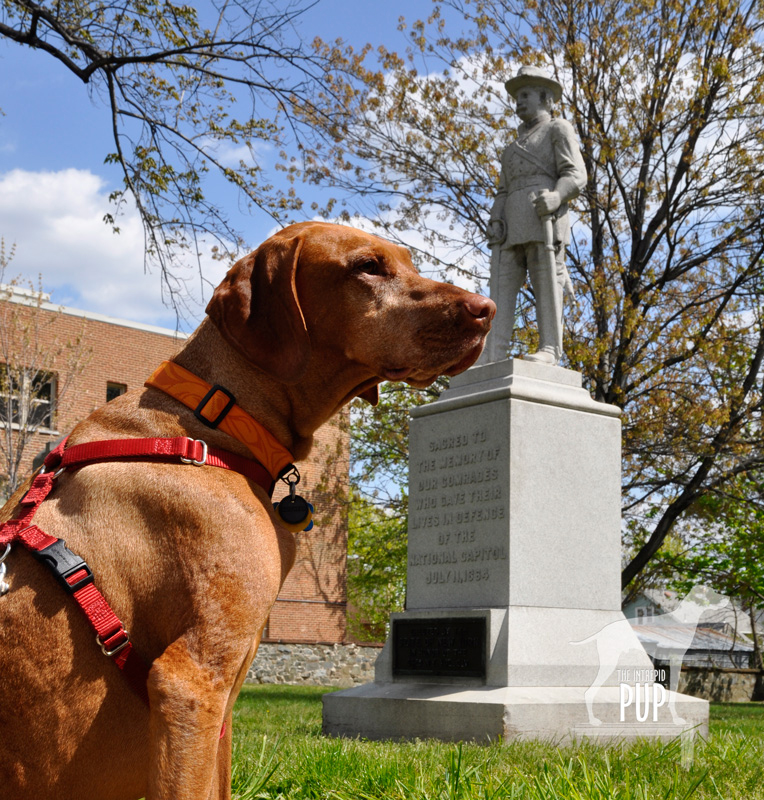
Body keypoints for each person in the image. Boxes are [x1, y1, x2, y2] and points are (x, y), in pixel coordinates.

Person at [483, 65, 587, 365]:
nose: (519, 101)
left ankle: (551, 348)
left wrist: (556, 196)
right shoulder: (510, 149)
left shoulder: (558, 129)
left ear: (545, 98)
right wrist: (496, 218)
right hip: (511, 223)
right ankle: (492, 352)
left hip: (544, 219)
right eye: (517, 96)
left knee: (546, 283)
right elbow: (503, 190)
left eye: (525, 94)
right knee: (500, 288)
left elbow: (576, 174)